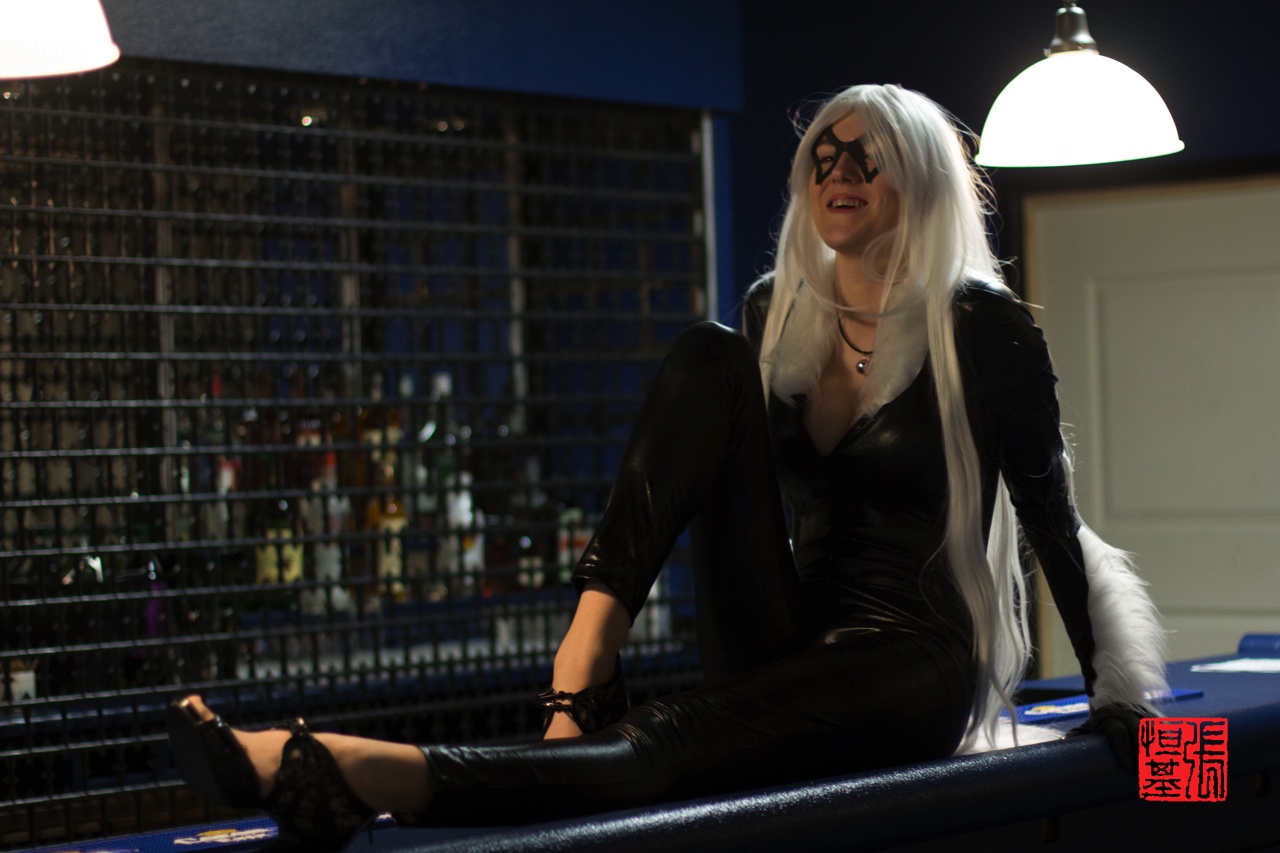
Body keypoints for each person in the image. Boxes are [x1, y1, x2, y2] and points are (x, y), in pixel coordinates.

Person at [166, 84, 1168, 851]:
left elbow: (1051, 517)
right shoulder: (778, 309)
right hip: (784, 626)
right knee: (704, 352)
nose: (839, 171)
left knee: (669, 745)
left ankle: (341, 768)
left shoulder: (981, 325)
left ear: (920, 177)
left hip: (908, 662)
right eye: (822, 155)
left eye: (868, 156)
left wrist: (1120, 701)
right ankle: (581, 662)